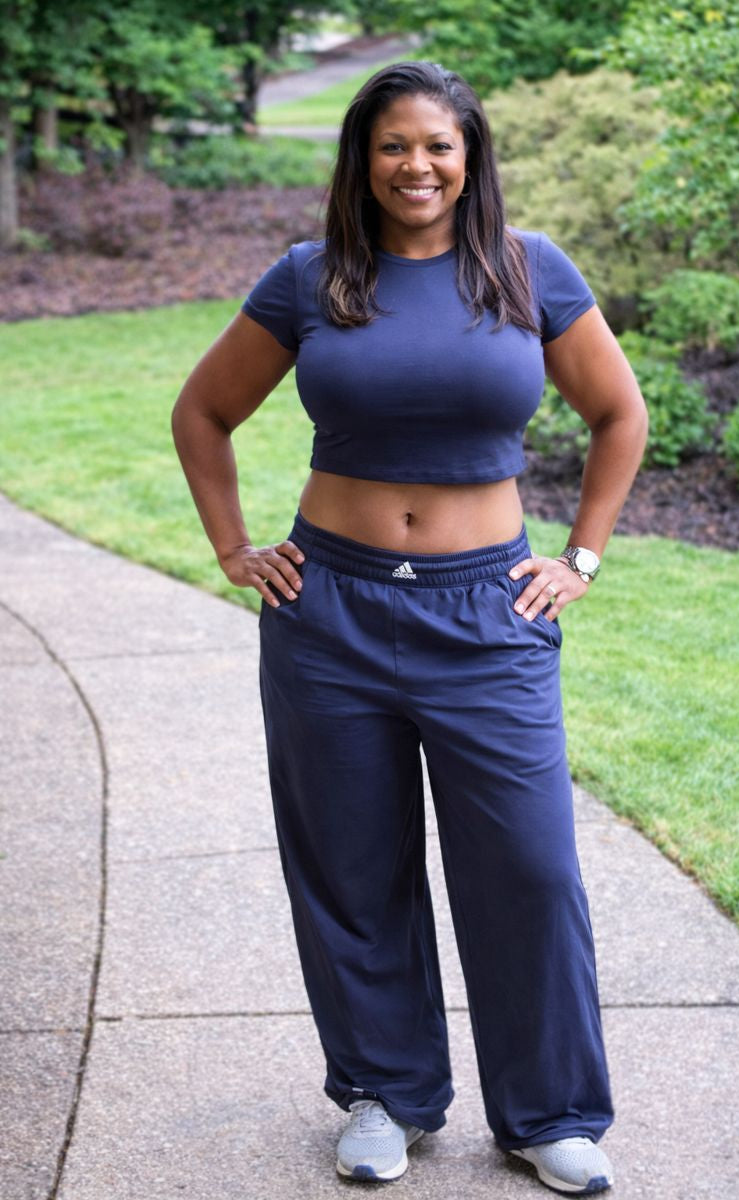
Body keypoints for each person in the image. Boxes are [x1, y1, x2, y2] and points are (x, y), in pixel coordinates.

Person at [172, 60, 647, 1196]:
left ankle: (549, 1114)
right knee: (350, 867)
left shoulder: (527, 270)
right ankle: (385, 1094)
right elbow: (203, 410)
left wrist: (580, 557)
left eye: (437, 144)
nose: (415, 166)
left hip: (487, 612)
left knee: (528, 868)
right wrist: (234, 550)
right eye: (392, 145)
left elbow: (617, 411)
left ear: (469, 155)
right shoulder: (310, 277)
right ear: (363, 158)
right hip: (328, 612)